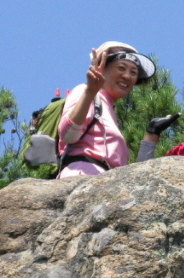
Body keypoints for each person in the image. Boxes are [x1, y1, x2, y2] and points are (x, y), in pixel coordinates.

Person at [56, 41, 157, 178]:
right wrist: (90, 92)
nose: (127, 76)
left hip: (104, 183)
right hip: (82, 176)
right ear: (102, 68)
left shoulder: (109, 110)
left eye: (133, 72)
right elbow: (68, 134)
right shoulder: (86, 92)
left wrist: (152, 136)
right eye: (121, 68)